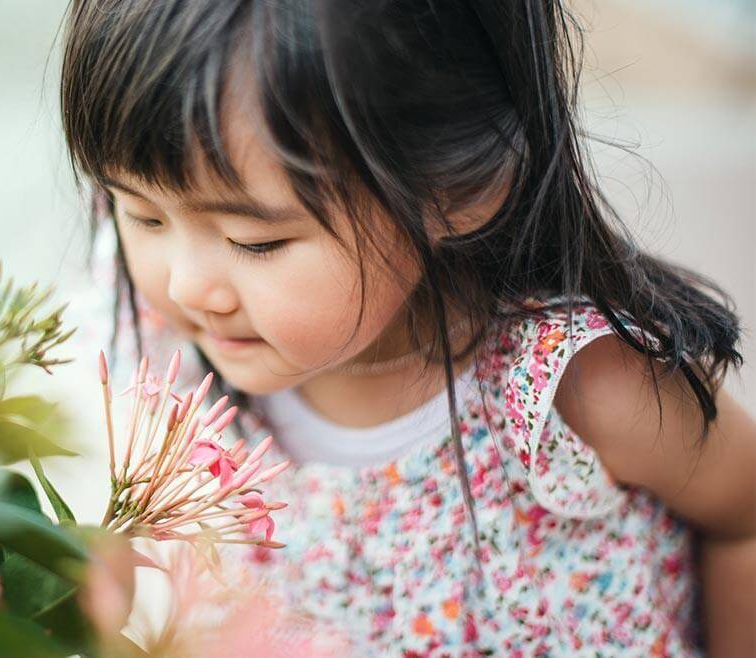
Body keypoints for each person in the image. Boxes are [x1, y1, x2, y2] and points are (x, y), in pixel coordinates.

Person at [58, 1, 756, 655]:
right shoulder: (160, 351)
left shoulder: (574, 393)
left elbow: (744, 516)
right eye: (141, 215)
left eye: (254, 241)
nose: (184, 285)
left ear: (456, 190)